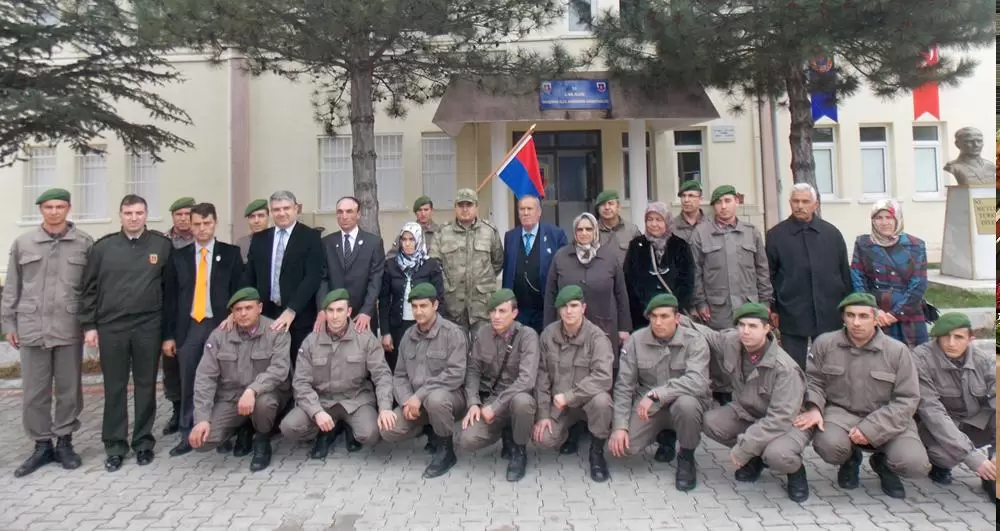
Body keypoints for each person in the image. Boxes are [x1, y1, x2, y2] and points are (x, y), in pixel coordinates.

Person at [794, 292, 930, 499]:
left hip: (887, 416)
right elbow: (814, 381)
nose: (856, 322)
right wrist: (814, 408)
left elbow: (907, 399)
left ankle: (884, 465)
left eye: (864, 316)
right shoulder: (825, 344)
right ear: (843, 318)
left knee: (915, 464)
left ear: (876, 319)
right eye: (851, 315)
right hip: (841, 414)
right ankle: (849, 459)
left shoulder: (897, 351)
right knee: (829, 446)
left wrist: (870, 428)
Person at [2, 188, 93, 477]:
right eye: (48, 207)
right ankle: (42, 445)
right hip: (32, 328)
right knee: (34, 392)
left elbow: (91, 290)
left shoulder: (84, 244)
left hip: (68, 327)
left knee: (69, 390)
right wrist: (9, 324)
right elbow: (12, 287)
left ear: (69, 208)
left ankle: (65, 441)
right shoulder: (23, 243)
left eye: (60, 206)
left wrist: (90, 325)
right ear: (40, 209)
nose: (54, 212)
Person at [80, 194, 173, 472]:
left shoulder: (161, 246)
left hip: (148, 326)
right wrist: (89, 326)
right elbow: (88, 290)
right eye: (128, 213)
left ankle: (143, 442)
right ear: (120, 215)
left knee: (146, 385)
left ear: (147, 215)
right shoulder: (103, 248)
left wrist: (168, 332)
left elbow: (170, 294)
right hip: (112, 327)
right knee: (115, 387)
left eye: (139, 213)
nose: (134, 218)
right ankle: (115, 445)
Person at [689, 303, 811, 502]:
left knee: (777, 454)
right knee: (710, 422)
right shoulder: (732, 342)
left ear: (767, 328)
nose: (746, 331)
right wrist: (678, 319)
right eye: (742, 325)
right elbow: (707, 334)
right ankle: (756, 459)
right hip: (752, 412)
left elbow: (780, 419)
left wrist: (744, 446)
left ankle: (795, 471)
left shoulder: (785, 368)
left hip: (790, 423)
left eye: (753, 326)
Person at [543, 212, 630, 454]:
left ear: (595, 231)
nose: (583, 234)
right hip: (567, 330)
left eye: (588, 229)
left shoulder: (609, 258)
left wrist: (625, 328)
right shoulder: (562, 257)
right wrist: (548, 327)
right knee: (569, 375)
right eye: (579, 230)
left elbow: (622, 294)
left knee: (600, 379)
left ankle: (598, 434)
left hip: (603, 327)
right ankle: (573, 430)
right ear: (574, 232)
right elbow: (551, 295)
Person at [161, 203, 244, 456]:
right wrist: (168, 336)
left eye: (206, 223)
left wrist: (233, 316)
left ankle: (221, 432)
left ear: (215, 223)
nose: (202, 229)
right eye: (197, 224)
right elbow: (170, 299)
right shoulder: (179, 256)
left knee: (222, 380)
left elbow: (239, 290)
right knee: (191, 380)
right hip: (190, 327)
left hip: (220, 325)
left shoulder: (230, 253)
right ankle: (188, 433)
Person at [609, 294, 711, 492]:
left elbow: (698, 381)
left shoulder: (695, 340)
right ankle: (665, 435)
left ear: (677, 318)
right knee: (626, 448)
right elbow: (624, 386)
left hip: (683, 401)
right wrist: (619, 426)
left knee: (686, 406)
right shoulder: (636, 341)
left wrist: (658, 394)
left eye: (664, 316)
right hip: (650, 406)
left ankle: (687, 457)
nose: (658, 322)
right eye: (653, 316)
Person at [280, 289, 395, 459]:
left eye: (339, 310)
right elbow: (300, 383)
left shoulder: (365, 338)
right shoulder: (311, 341)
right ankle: (324, 430)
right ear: (324, 313)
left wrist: (385, 407)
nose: (335, 316)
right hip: (322, 401)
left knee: (370, 434)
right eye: (330, 311)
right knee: (289, 427)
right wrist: (316, 412)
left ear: (349, 312)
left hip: (355, 400)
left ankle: (347, 426)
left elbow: (382, 375)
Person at [187, 288, 291, 471]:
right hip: (230, 397)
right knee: (203, 442)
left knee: (264, 404)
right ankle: (241, 426)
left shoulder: (276, 331)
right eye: (238, 309)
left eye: (248, 308)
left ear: (259, 308)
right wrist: (202, 418)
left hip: (265, 394)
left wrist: (253, 390)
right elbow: (205, 378)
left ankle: (262, 437)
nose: (243, 313)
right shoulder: (219, 336)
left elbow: (279, 370)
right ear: (232, 313)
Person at [379, 283, 468, 479]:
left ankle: (446, 451)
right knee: (388, 430)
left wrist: (419, 396)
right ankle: (428, 427)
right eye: (415, 307)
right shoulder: (408, 336)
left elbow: (455, 374)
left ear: (435, 305)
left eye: (423, 306)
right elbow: (400, 375)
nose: (418, 311)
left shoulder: (453, 333)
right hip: (416, 402)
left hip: (450, 399)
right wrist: (405, 401)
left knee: (435, 400)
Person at [765, 183, 851, 369]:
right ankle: (796, 397)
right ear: (790, 203)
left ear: (815, 204)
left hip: (829, 309)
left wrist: (848, 306)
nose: (800, 206)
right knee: (793, 367)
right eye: (795, 201)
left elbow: (844, 272)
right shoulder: (776, 235)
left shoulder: (831, 234)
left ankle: (828, 397)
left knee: (830, 364)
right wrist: (773, 308)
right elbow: (769, 275)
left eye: (805, 201)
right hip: (792, 311)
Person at [457, 289, 539, 482]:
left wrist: (496, 406)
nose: (496, 316)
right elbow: (473, 370)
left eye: (502, 311)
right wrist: (473, 404)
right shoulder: (482, 334)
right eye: (493, 311)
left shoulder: (527, 336)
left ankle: (519, 450)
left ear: (514, 313)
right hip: (490, 399)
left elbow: (526, 380)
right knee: (467, 440)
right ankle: (505, 431)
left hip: (516, 397)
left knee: (523, 403)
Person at [534, 285, 614, 482]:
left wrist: (569, 397)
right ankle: (572, 430)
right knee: (543, 439)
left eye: (574, 305)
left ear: (583, 308)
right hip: (560, 406)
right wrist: (543, 414)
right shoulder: (548, 335)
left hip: (585, 402)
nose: (569, 311)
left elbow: (603, 377)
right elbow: (542, 376)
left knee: (602, 402)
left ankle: (596, 452)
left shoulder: (597, 338)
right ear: (558, 310)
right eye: (563, 306)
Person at [912, 313, 996, 501]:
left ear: (970, 339)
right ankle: (939, 466)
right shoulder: (921, 358)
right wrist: (973, 458)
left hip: (972, 422)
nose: (951, 343)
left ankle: (992, 472)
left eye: (958, 337)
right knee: (944, 456)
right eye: (945, 336)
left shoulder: (983, 360)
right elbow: (932, 411)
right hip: (937, 427)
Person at [240, 190, 324, 365]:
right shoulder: (260, 239)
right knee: (267, 366)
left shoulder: (311, 237)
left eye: (286, 208)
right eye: (277, 209)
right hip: (266, 315)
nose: (282, 213)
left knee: (299, 366)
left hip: (299, 316)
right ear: (271, 212)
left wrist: (292, 310)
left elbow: (312, 277)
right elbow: (250, 276)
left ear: (296, 209)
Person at [690, 185, 773, 331]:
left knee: (749, 347)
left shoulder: (751, 232)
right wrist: (700, 302)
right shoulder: (701, 233)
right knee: (722, 350)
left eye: (727, 201)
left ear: (736, 201)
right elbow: (695, 272)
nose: (723, 206)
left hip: (749, 305)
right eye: (718, 202)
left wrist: (765, 302)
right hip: (717, 310)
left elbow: (762, 270)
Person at [850, 199, 929, 348]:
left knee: (913, 361)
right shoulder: (863, 244)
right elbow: (858, 279)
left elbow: (918, 283)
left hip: (908, 312)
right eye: (879, 218)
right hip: (874, 313)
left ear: (897, 218)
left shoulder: (915, 245)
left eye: (889, 217)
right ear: (873, 221)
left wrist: (895, 314)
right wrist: (873, 310)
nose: (884, 222)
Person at [430, 188, 503, 335]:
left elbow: (498, 261)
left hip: (482, 306)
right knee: (455, 352)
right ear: (455, 208)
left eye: (469, 205)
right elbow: (434, 265)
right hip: (453, 306)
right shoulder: (443, 232)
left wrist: (483, 283)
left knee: (483, 352)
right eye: (461, 205)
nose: (465, 209)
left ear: (476, 207)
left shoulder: (489, 231)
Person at [379, 222, 446, 371]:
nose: (407, 244)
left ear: (419, 240)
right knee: (398, 367)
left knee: (423, 366)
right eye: (404, 239)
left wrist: (437, 328)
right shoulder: (390, 265)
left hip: (425, 324)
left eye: (412, 239)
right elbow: (384, 301)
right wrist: (385, 332)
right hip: (397, 326)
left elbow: (439, 299)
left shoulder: (431, 265)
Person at [316, 196, 385, 338]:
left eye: (349, 211)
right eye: (340, 212)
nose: (344, 216)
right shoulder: (326, 243)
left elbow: (376, 280)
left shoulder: (373, 243)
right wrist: (323, 309)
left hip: (362, 317)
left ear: (358, 214)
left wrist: (366, 311)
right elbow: (322, 279)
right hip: (333, 316)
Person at [501, 195, 567, 334]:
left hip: (545, 308)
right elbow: (507, 270)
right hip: (518, 310)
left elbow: (564, 270)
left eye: (529, 209)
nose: (525, 213)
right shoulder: (510, 237)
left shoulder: (555, 235)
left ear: (539, 212)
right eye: (522, 209)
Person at [623, 202, 695, 330]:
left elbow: (687, 282)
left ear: (667, 221)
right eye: (649, 220)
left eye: (658, 220)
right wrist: (646, 307)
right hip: (642, 316)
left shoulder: (680, 246)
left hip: (672, 315)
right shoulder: (636, 245)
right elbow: (629, 280)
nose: (654, 224)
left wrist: (673, 307)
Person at [161, 196, 197, 434]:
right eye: (179, 214)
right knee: (171, 364)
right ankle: (176, 410)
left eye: (187, 214)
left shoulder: (202, 240)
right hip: (168, 307)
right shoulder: (162, 244)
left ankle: (195, 411)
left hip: (195, 309)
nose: (183, 219)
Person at [594, 190, 641, 268]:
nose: (607, 207)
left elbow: (640, 257)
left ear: (618, 207)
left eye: (610, 203)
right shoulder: (592, 230)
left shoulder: (632, 230)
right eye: (602, 204)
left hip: (626, 278)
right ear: (598, 209)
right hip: (601, 278)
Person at [671, 180, 707, 245]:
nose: (686, 200)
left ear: (700, 199)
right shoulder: (671, 226)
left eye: (691, 196)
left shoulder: (710, 224)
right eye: (683, 196)